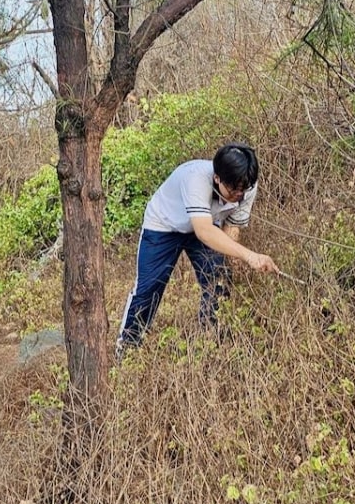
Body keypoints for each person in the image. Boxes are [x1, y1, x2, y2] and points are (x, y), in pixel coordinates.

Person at [116, 143, 279, 355]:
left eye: (243, 189)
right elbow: (203, 231)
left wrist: (237, 264)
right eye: (233, 190)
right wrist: (249, 255)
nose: (239, 194)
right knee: (149, 288)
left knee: (219, 278)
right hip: (165, 226)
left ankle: (212, 341)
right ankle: (127, 348)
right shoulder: (195, 177)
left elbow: (232, 227)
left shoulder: (246, 186)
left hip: (207, 225)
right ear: (217, 178)